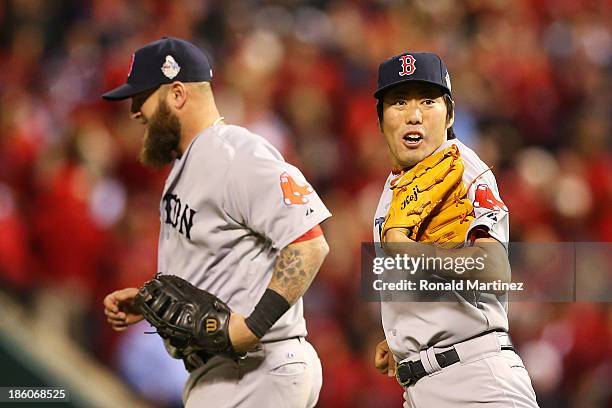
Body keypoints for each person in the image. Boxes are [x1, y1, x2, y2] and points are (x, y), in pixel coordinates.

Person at [101, 37, 331, 408]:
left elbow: (308, 242)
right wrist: (147, 304)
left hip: (257, 369)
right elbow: (215, 272)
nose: (134, 111)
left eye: (140, 97)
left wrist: (251, 327)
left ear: (177, 94)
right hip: (224, 375)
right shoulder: (191, 164)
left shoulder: (235, 153)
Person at [371, 52, 539, 407]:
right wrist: (407, 337)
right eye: (399, 102)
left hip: (477, 384)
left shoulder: (460, 170)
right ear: (380, 119)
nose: (413, 115)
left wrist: (407, 250)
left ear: (450, 115)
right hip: (426, 383)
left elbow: (495, 271)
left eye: (428, 101)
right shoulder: (395, 186)